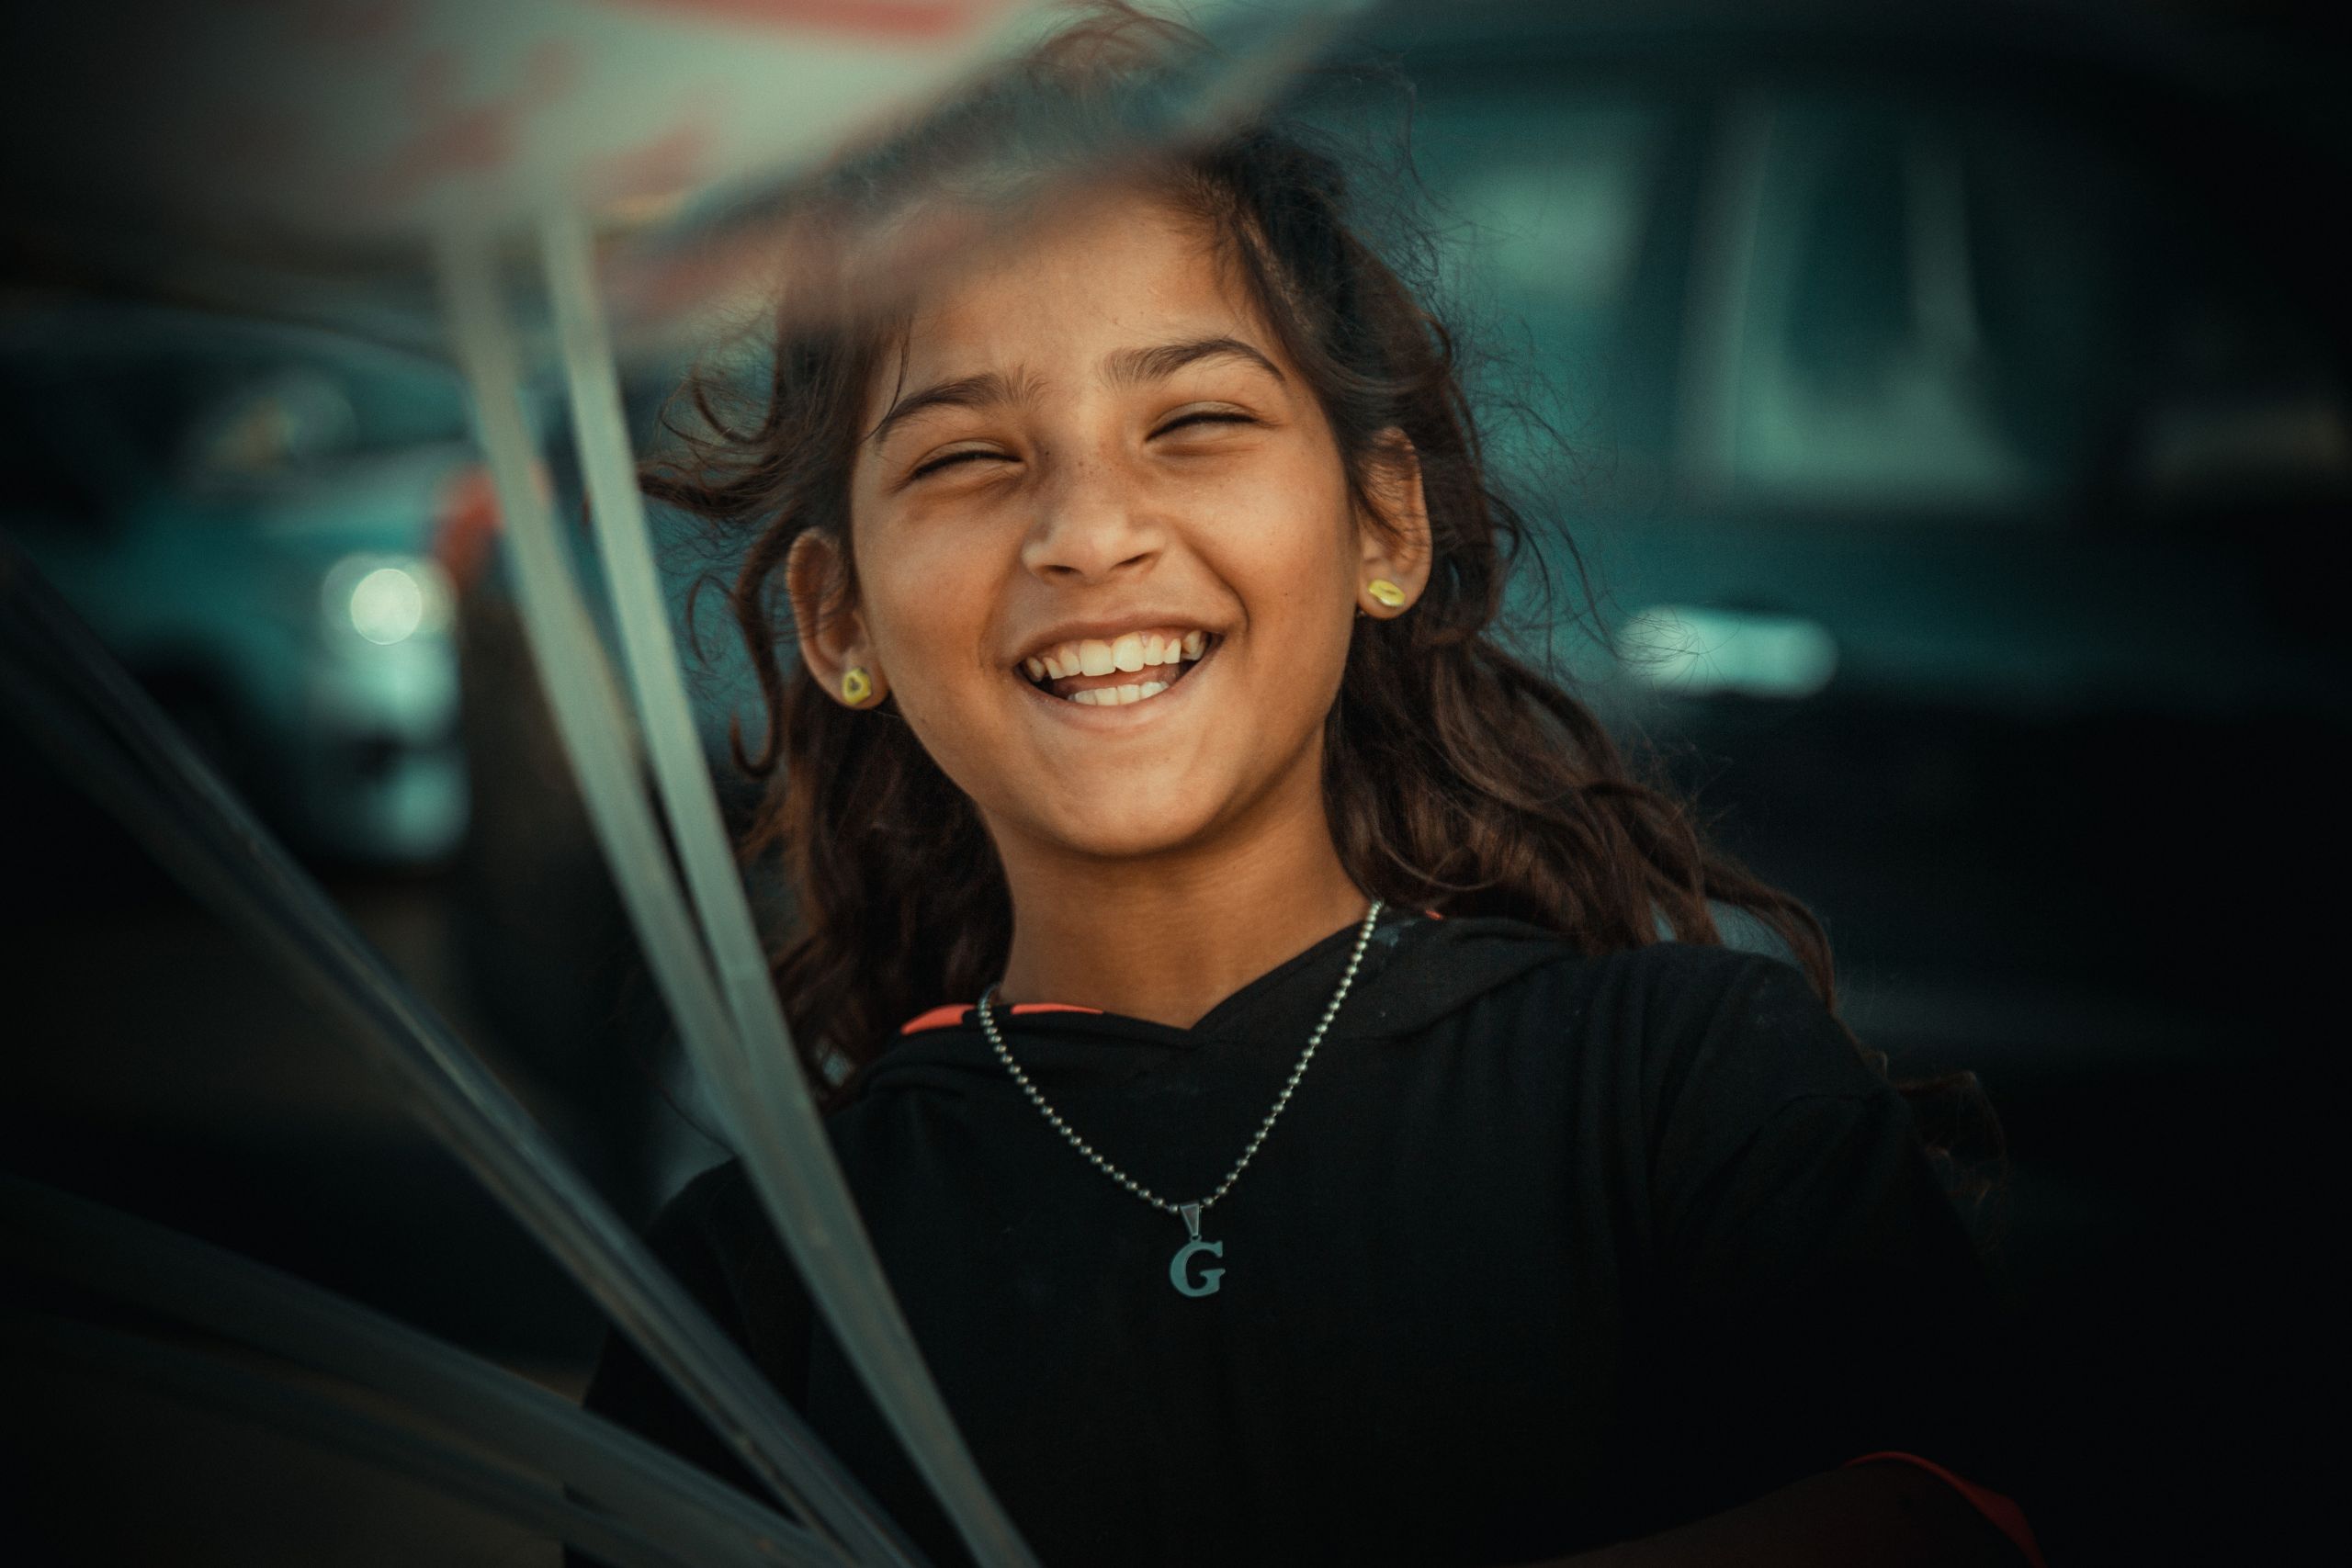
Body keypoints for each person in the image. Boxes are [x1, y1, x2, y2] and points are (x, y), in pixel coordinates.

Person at [574, 10, 2043, 1565]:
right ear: (840, 623)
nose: (1091, 532)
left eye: (1196, 424)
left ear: (1382, 529)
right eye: (965, 459)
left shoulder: (1683, 1089)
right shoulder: (755, 1295)